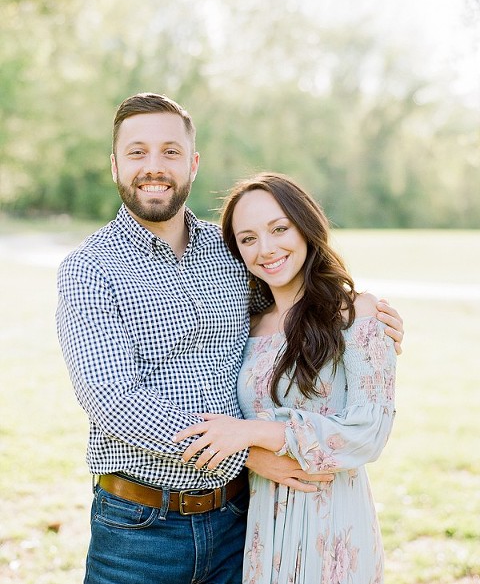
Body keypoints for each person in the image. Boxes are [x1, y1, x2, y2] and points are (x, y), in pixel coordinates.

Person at [56, 92, 404, 584]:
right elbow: (113, 400)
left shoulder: (229, 254)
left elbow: (291, 297)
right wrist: (248, 451)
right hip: (141, 530)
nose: (154, 166)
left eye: (170, 151)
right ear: (114, 165)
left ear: (193, 163)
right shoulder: (89, 269)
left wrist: (363, 315)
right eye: (137, 152)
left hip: (243, 523)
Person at [175, 172, 397, 584]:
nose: (267, 249)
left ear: (306, 226)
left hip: (331, 521)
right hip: (260, 524)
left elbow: (370, 431)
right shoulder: (246, 324)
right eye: (248, 238)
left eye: (280, 229)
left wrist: (254, 432)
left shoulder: (355, 314)